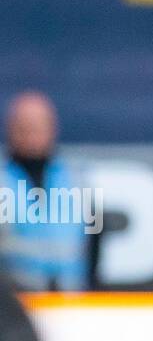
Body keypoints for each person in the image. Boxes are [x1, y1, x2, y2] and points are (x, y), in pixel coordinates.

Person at [0, 92, 97, 292]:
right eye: (23, 126)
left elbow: (95, 240)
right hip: (14, 306)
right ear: (10, 129)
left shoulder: (76, 179)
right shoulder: (3, 181)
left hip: (70, 301)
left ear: (52, 128)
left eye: (37, 126)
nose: (31, 134)